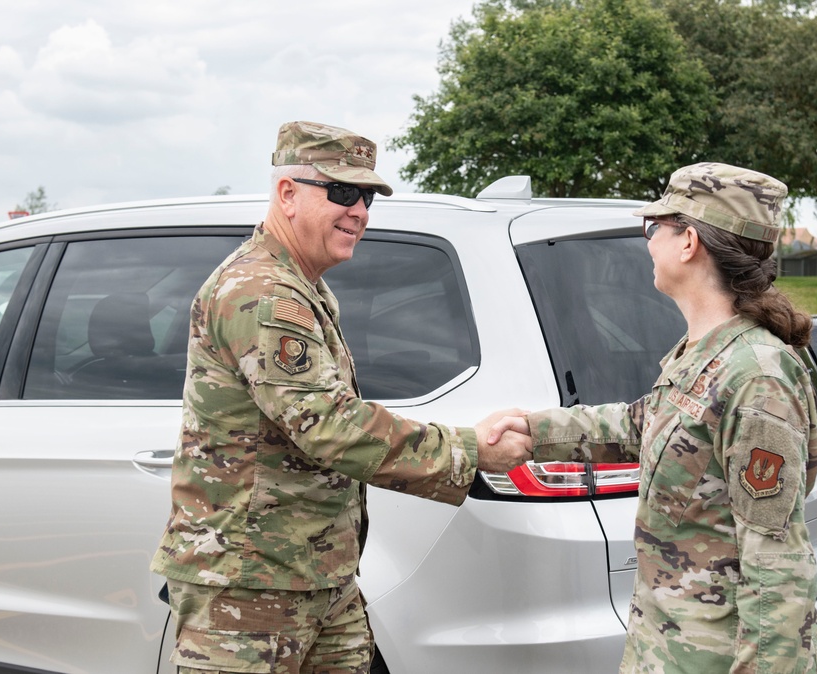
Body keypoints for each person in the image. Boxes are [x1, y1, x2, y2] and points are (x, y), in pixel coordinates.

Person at [150, 121, 532, 674]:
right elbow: (330, 426)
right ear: (287, 194)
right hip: (247, 585)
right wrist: (471, 450)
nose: (360, 211)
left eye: (367, 197)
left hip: (318, 575)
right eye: (343, 192)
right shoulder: (261, 293)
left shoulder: (302, 286)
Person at [489, 163, 817, 673]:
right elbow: (642, 424)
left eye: (654, 228)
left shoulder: (757, 375)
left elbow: (777, 564)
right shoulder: (705, 351)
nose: (648, 243)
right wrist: (536, 431)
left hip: (712, 656)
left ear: (688, 242)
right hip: (665, 645)